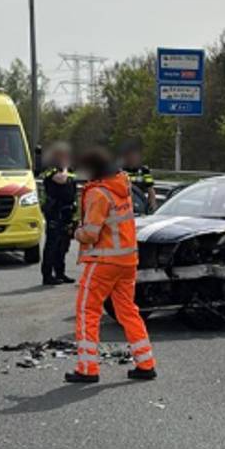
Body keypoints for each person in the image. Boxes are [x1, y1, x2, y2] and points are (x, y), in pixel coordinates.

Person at [66, 148, 156, 385]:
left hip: (104, 261)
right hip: (127, 261)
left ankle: (87, 369)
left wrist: (75, 232)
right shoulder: (122, 187)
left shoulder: (98, 193)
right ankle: (146, 364)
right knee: (128, 311)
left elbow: (91, 234)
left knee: (87, 311)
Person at [38, 142, 78, 286]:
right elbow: (61, 180)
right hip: (55, 212)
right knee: (52, 245)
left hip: (67, 212)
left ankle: (60, 273)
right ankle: (47, 275)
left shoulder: (69, 170)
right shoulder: (50, 169)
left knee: (63, 245)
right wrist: (65, 168)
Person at [119, 141, 156, 213]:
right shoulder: (120, 170)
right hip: (125, 204)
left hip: (140, 202)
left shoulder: (144, 170)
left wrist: (152, 203)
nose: (134, 157)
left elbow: (150, 188)